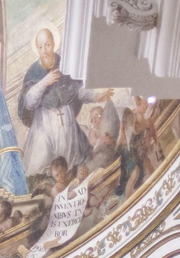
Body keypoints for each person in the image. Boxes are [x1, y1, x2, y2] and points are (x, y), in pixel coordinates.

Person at [17, 27, 111, 176]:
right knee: (42, 167)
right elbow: (28, 102)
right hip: (44, 126)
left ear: (54, 44)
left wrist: (96, 96)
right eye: (40, 47)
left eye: (47, 45)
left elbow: (77, 90)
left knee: (73, 162)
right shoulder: (33, 71)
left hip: (68, 125)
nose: (44, 51)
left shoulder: (64, 65)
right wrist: (44, 82)